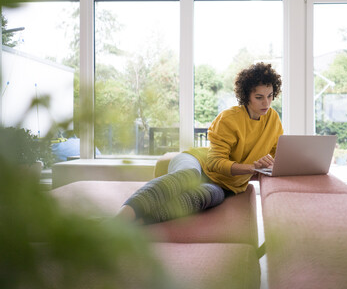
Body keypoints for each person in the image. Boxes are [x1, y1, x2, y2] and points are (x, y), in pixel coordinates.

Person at [117, 62, 283, 224]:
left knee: (206, 196)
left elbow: (278, 156)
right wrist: (252, 167)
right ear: (246, 96)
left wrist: (270, 165)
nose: (266, 103)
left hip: (226, 186)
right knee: (187, 176)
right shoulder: (229, 118)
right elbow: (215, 162)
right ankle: (120, 219)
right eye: (259, 97)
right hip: (198, 163)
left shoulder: (273, 119)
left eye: (270, 96)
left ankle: (135, 224)